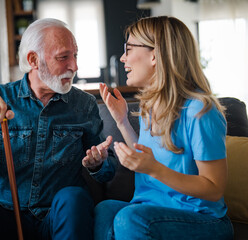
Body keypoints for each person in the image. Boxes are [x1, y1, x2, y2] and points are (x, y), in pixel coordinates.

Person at [0, 18, 116, 240]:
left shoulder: (84, 104)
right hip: (6, 215)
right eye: (63, 57)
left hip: (58, 216)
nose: (74, 66)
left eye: (75, 56)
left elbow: (108, 173)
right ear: (33, 60)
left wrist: (99, 164)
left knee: (73, 197)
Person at [94, 16, 234, 239]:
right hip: (152, 209)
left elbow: (214, 187)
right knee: (105, 210)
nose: (122, 58)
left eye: (128, 49)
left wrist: (155, 169)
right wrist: (121, 121)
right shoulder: (152, 106)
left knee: (129, 218)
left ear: (154, 54)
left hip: (201, 219)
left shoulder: (200, 111)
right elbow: (147, 159)